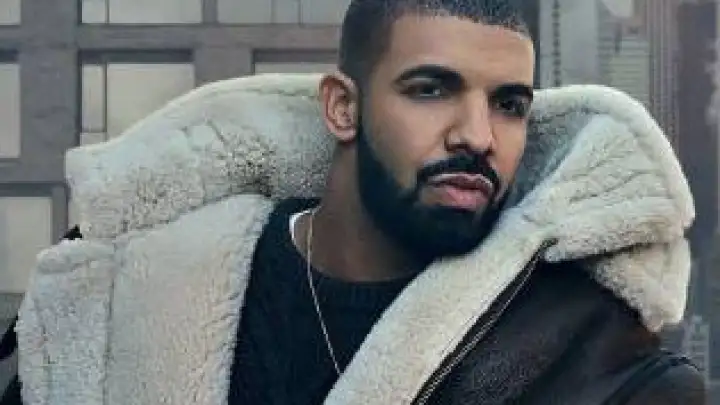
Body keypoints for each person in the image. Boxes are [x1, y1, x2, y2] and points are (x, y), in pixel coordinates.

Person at [3, 0, 706, 404]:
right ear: (343, 107)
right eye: (430, 89)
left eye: (510, 104)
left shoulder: (596, 356)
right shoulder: (136, 298)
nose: (477, 135)